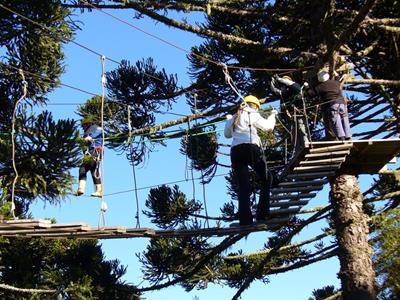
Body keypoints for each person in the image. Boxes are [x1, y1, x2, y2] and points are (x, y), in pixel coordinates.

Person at [224, 95, 277, 226]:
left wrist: (229, 120)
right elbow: (268, 127)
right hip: (250, 148)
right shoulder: (252, 113)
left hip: (235, 151)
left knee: (243, 186)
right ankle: (262, 214)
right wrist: (272, 115)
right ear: (255, 106)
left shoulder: (234, 117)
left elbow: (227, 135)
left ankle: (245, 219)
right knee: (266, 178)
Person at [307, 70, 352, 141]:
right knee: (344, 119)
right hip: (342, 103)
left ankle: (341, 137)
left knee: (336, 120)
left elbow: (310, 94)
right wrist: (334, 72)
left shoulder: (320, 86)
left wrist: (308, 86)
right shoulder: (335, 82)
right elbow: (338, 77)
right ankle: (348, 136)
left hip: (333, 105)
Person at [270, 75, 309, 150]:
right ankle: (296, 148)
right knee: (293, 132)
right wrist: (272, 82)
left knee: (301, 128)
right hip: (290, 116)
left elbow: (289, 83)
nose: (283, 87)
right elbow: (275, 90)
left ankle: (305, 143)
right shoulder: (284, 93)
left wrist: (279, 79)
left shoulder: (296, 87)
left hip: (298, 113)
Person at [76, 117, 103, 197]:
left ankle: (99, 190)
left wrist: (91, 136)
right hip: (89, 153)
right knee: (83, 169)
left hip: (96, 151)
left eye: (83, 125)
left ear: (87, 124)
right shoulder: (86, 132)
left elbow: (101, 130)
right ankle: (81, 189)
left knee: (92, 168)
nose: (83, 127)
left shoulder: (95, 128)